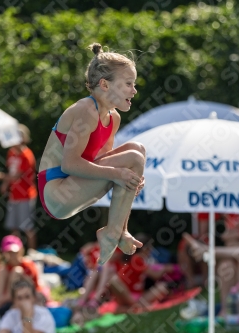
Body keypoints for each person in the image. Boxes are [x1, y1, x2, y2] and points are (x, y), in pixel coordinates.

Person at [38, 42, 145, 264]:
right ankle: (113, 232)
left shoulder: (113, 118)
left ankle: (118, 231)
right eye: (128, 84)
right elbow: (70, 165)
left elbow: (99, 163)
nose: (134, 90)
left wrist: (126, 177)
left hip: (73, 183)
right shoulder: (86, 110)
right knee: (132, 159)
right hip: (56, 192)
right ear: (105, 85)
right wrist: (119, 174)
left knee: (137, 151)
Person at [0, 124, 38, 249]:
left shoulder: (27, 155)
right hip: (14, 195)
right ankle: (14, 252)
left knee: (27, 227)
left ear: (24, 139)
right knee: (13, 228)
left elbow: (17, 176)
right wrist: (6, 184)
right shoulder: (11, 153)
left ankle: (32, 253)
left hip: (26, 196)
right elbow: (11, 172)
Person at [183, 232, 239, 316]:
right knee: (226, 264)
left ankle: (204, 250)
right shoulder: (228, 264)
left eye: (234, 246)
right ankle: (225, 310)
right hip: (234, 302)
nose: (230, 249)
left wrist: (205, 250)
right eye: (228, 246)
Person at [0, 236, 40, 315]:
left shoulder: (27, 265)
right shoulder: (4, 268)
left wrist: (21, 276)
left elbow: (33, 287)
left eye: (15, 252)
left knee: (17, 271)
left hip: (25, 296)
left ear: (21, 251)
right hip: (6, 299)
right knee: (3, 270)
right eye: (9, 253)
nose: (13, 255)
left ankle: (6, 298)